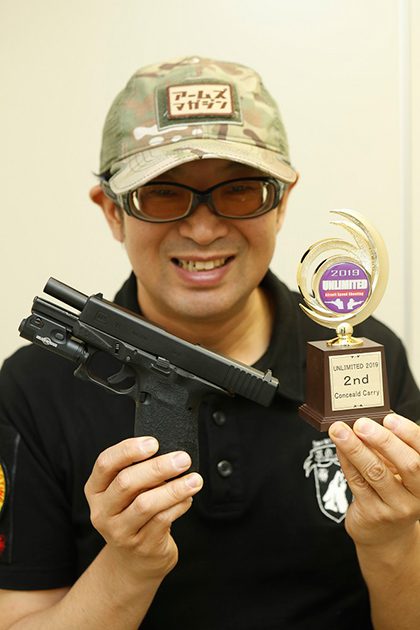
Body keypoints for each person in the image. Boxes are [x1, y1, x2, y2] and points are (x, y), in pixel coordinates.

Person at [0, 56, 419, 630]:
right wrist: (128, 566)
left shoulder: (364, 358)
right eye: (162, 194)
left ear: (283, 201)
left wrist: (392, 542)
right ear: (112, 212)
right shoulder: (33, 390)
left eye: (241, 190)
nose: (202, 229)